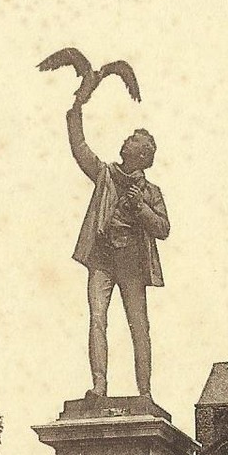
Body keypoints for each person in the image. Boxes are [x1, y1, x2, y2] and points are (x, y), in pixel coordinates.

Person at [66, 87, 170, 398]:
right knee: (97, 318)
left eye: (132, 141)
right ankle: (99, 385)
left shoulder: (151, 191)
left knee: (139, 327)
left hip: (132, 263)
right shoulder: (105, 174)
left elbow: (164, 228)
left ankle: (145, 392)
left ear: (141, 154)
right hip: (102, 258)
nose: (125, 141)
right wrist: (76, 109)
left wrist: (141, 209)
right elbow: (79, 146)